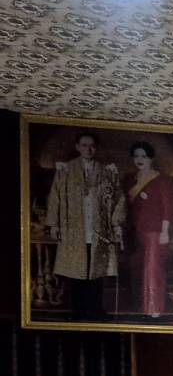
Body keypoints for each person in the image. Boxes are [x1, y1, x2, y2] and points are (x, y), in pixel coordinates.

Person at [44, 131, 124, 316]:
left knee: (96, 267)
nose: (88, 149)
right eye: (84, 145)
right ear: (77, 147)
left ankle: (95, 308)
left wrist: (115, 224)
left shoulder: (107, 171)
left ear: (96, 148)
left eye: (91, 146)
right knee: (76, 267)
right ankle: (77, 309)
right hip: (74, 227)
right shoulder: (65, 170)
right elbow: (55, 197)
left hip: (98, 228)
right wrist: (54, 224)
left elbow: (119, 199)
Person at [123, 141, 173, 318]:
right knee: (138, 267)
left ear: (151, 158)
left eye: (143, 156)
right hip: (136, 230)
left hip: (155, 230)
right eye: (136, 156)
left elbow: (168, 207)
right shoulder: (131, 179)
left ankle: (154, 308)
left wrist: (165, 231)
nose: (139, 159)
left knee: (153, 269)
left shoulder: (161, 179)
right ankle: (141, 306)